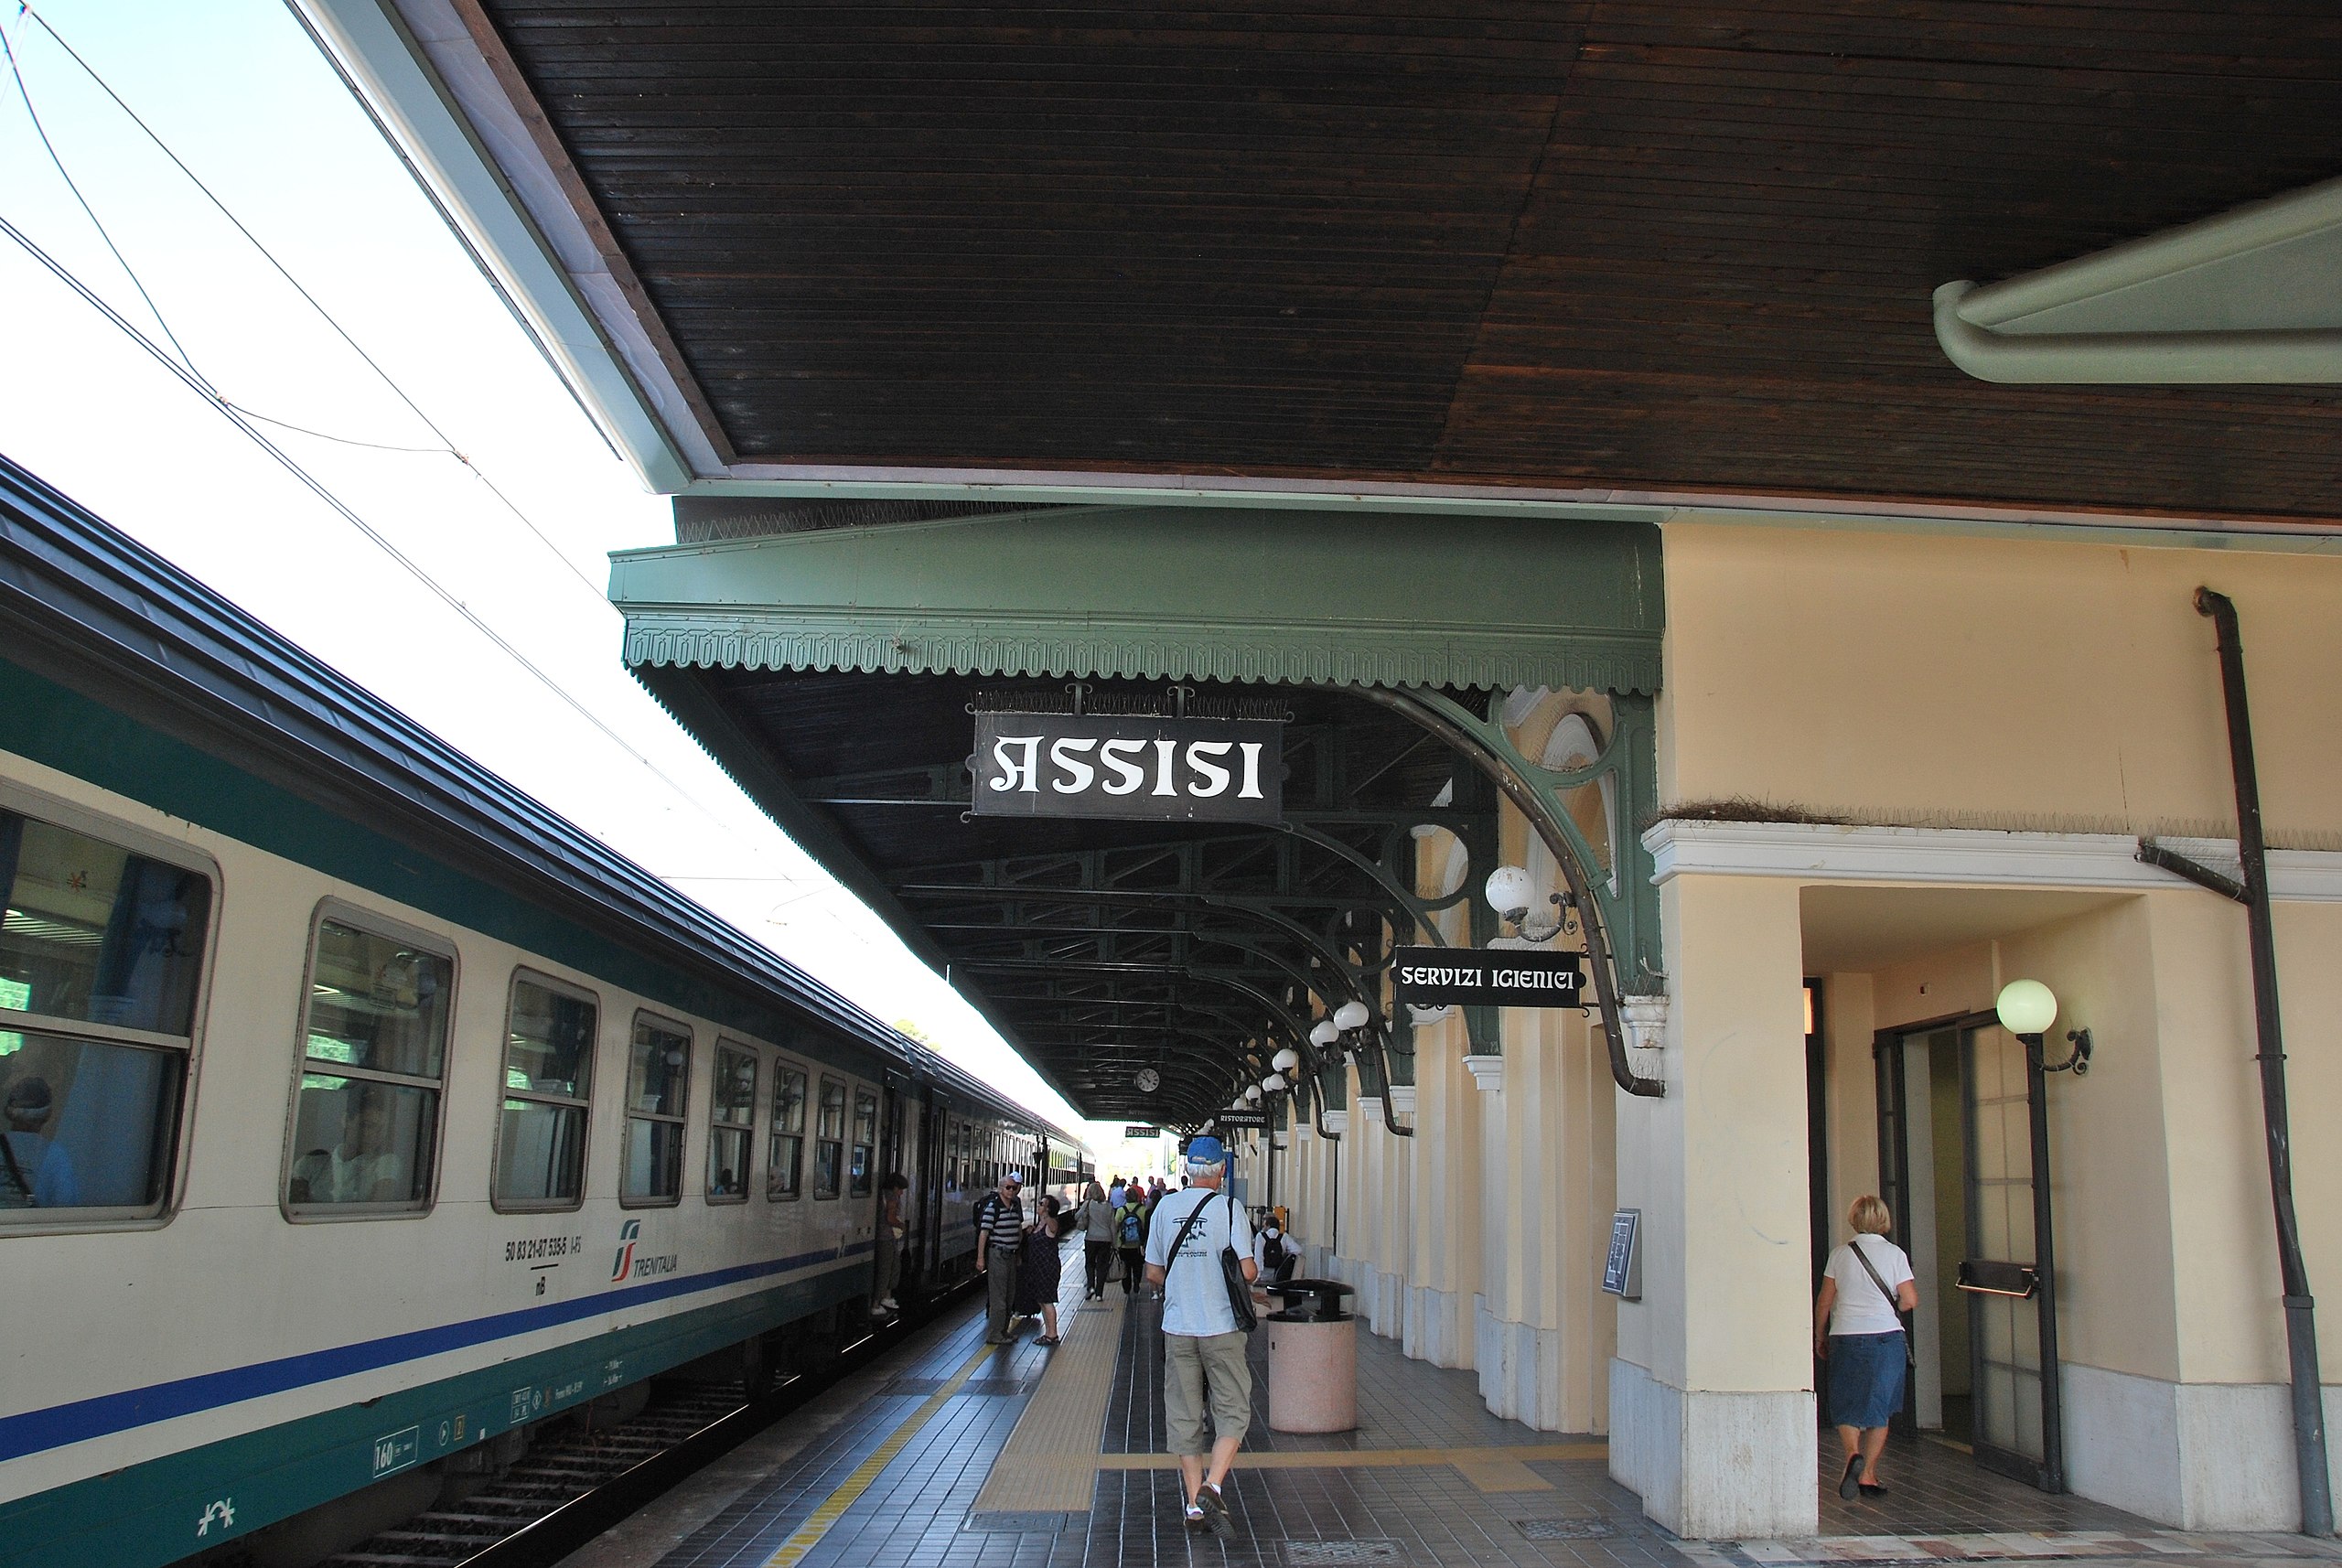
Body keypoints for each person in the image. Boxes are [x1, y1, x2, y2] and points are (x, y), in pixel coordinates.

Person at [1144, 1136, 1257, 1538]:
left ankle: (1194, 1507)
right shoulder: (1229, 1209)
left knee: (1184, 1415)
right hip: (1222, 1326)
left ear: (1188, 1170)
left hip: (1178, 1327)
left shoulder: (1164, 1208)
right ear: (1222, 1171)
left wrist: (1184, 1280)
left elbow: (1153, 1272)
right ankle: (1214, 1485)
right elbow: (1247, 1272)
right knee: (1233, 1410)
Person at [1814, 1194, 1918, 1500]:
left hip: (1846, 1335)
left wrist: (1820, 1335)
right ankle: (1869, 1473)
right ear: (1884, 1219)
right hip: (1886, 1337)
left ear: (1854, 1219)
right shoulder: (1895, 1255)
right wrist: (1893, 1306)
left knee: (1846, 1401)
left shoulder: (1840, 1255)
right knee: (1880, 1407)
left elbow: (1825, 1301)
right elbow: (1910, 1300)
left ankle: (1851, 1454)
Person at [289, 1086, 407, 1205]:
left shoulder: (384, 1163)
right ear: (346, 1120)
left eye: (381, 1129)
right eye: (367, 1125)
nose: (375, 1135)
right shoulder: (310, 1164)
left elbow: (378, 1207)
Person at [0, 1077, 76, 1208]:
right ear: (47, 1114)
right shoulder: (56, 1156)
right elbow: (66, 1207)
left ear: (9, 1112)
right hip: (34, 1221)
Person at [974, 1170, 1026, 1344]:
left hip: (1011, 1255)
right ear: (1000, 1189)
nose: (1011, 1190)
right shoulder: (993, 1208)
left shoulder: (1014, 1207)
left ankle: (1004, 1331)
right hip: (998, 1255)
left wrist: (1018, 1252)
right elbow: (984, 1233)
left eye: (1014, 1188)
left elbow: (1017, 1230)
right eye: (1008, 1187)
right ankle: (995, 1334)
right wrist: (980, 1258)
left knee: (1009, 1296)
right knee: (999, 1298)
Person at [1017, 1193, 1067, 1345]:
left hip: (1047, 1267)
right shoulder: (1040, 1223)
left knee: (1047, 1300)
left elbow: (1054, 1229)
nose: (1038, 1205)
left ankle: (1052, 1334)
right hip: (1037, 1267)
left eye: (1041, 1204)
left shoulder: (1051, 1222)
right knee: (1041, 1300)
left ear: (1048, 1208)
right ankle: (1049, 1332)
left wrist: (1046, 1215)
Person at [872, 1172, 909, 1316]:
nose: (901, 1193)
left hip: (885, 1237)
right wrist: (901, 1225)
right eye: (900, 1189)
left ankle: (885, 1298)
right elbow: (890, 1218)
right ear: (895, 1187)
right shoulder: (892, 1197)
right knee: (886, 1269)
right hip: (886, 1237)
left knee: (890, 1267)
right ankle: (877, 1303)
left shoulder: (883, 1194)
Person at [1073, 1179, 1115, 1299]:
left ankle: (1090, 1286)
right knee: (1102, 1266)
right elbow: (1113, 1226)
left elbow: (1077, 1216)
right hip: (1106, 1239)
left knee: (1090, 1264)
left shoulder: (1088, 1204)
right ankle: (1099, 1294)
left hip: (1091, 1238)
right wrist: (1115, 1243)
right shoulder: (1109, 1206)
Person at [1113, 1184, 1151, 1296]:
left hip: (1123, 1244)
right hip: (1138, 1245)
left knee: (1125, 1267)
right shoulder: (1143, 1210)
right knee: (1138, 1266)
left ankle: (1126, 1288)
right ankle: (1136, 1283)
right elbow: (1145, 1226)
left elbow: (1116, 1225)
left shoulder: (1121, 1210)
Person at [1253, 1220, 1298, 1285]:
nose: (1263, 1228)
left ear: (1268, 1226)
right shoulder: (1284, 1236)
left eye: (1264, 1226)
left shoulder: (1260, 1236)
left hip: (1264, 1273)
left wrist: (1257, 1275)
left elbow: (1259, 1256)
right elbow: (1298, 1250)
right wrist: (1286, 1253)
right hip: (1278, 1272)